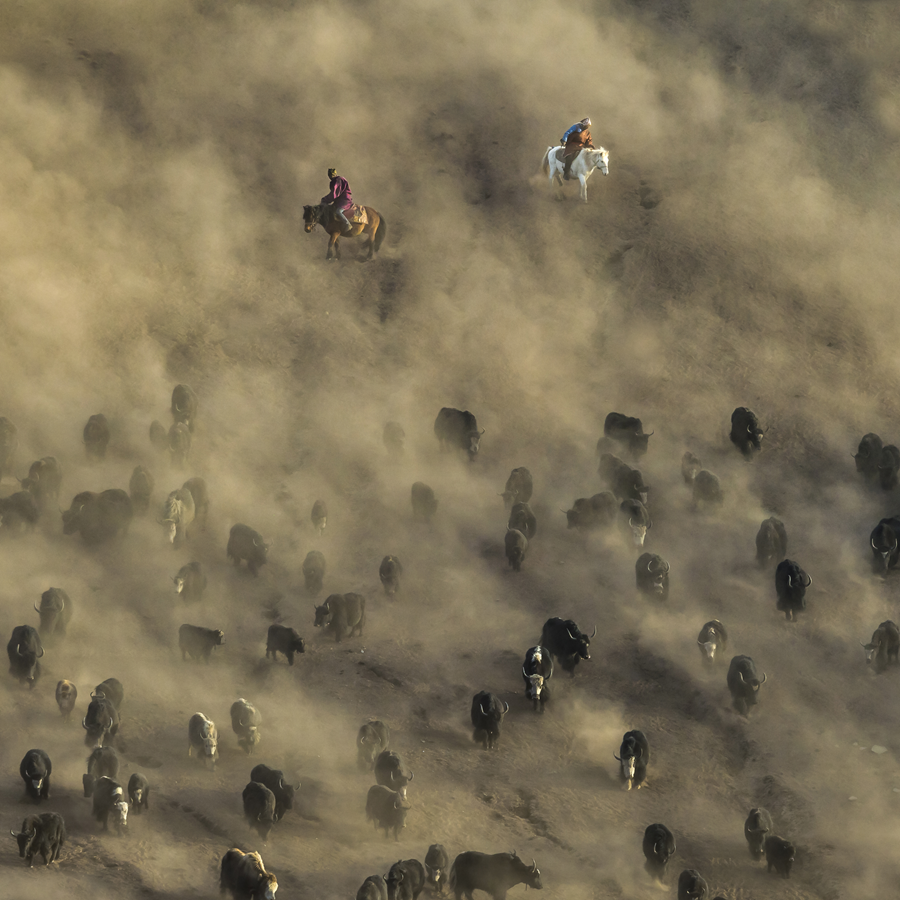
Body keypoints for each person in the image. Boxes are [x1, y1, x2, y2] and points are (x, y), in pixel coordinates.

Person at [321, 168, 354, 233]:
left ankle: (347, 224)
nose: (330, 176)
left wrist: (325, 199)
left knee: (338, 211)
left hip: (344, 200)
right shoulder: (335, 181)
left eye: (331, 175)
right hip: (339, 200)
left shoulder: (338, 180)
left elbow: (335, 194)